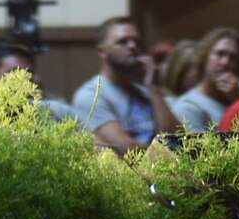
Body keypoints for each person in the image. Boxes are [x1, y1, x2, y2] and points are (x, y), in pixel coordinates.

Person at [69, 17, 180, 153]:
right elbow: (126, 148)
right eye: (122, 42)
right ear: (101, 51)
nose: (132, 46)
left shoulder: (147, 92)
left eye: (136, 41)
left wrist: (153, 88)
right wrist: (169, 154)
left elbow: (177, 139)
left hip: (165, 168)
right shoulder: (91, 95)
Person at [169, 27, 239, 133]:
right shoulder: (188, 106)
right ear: (205, 57)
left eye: (232, 57)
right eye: (219, 54)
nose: (225, 62)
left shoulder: (237, 96)